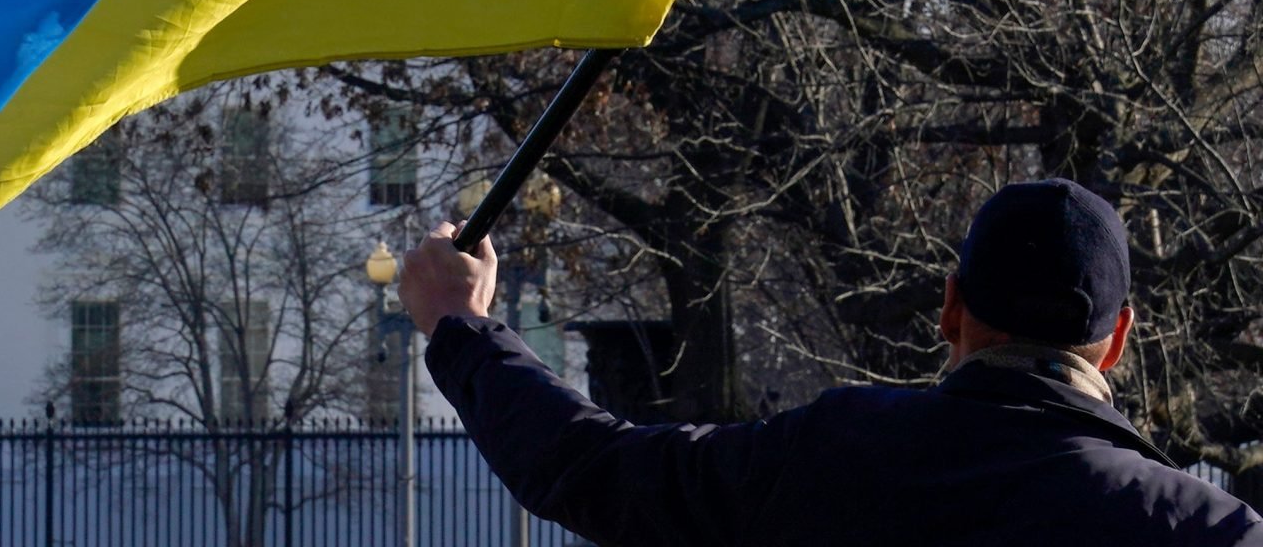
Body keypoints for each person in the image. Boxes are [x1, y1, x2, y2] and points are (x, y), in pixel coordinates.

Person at [397, 178, 1262, 545]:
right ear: (1116, 340)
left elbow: (590, 467)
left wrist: (461, 325)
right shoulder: (1210, 532)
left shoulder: (833, 456)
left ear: (951, 307)